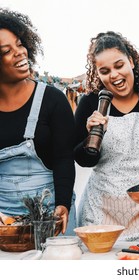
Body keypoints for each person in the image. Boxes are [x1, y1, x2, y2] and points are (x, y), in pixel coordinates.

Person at [74, 31, 139, 241]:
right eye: (105, 70)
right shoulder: (91, 103)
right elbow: (83, 160)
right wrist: (91, 137)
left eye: (119, 65)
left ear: (131, 61)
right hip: (103, 210)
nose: (114, 75)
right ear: (98, 74)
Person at [0, 8, 76, 234]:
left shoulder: (53, 99)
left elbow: (64, 158)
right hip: (4, 221)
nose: (20, 52)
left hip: (51, 216)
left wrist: (63, 204)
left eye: (20, 44)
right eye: (6, 50)